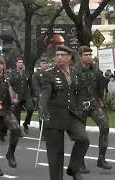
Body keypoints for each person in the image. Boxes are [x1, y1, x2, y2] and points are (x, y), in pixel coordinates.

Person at [39, 45, 89, 180]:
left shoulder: (75, 73)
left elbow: (80, 92)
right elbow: (45, 93)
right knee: (56, 154)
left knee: (83, 139)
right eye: (57, 55)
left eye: (62, 55)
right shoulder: (49, 74)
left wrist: (81, 107)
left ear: (69, 58)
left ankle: (73, 168)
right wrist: (42, 107)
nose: (59, 57)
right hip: (54, 116)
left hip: (72, 115)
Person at [74, 46, 112, 172]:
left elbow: (100, 86)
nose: (89, 57)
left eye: (90, 54)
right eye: (86, 55)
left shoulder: (95, 70)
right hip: (80, 105)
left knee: (105, 125)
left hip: (94, 103)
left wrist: (101, 100)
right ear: (80, 56)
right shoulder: (74, 71)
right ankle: (80, 162)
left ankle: (101, 159)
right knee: (81, 135)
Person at [9, 57, 34, 134]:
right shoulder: (12, 74)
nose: (21, 63)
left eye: (22, 62)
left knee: (30, 109)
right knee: (17, 115)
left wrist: (34, 96)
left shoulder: (27, 73)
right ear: (16, 64)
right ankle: (18, 130)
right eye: (19, 62)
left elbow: (31, 85)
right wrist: (12, 97)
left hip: (26, 96)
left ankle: (26, 123)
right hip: (17, 97)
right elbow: (10, 86)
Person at [32, 57, 49, 139]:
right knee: (42, 115)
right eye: (44, 63)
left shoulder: (50, 73)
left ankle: (50, 132)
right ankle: (43, 134)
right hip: (42, 97)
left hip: (50, 97)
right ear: (40, 65)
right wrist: (40, 94)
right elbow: (36, 86)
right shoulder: (36, 75)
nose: (46, 65)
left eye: (46, 63)